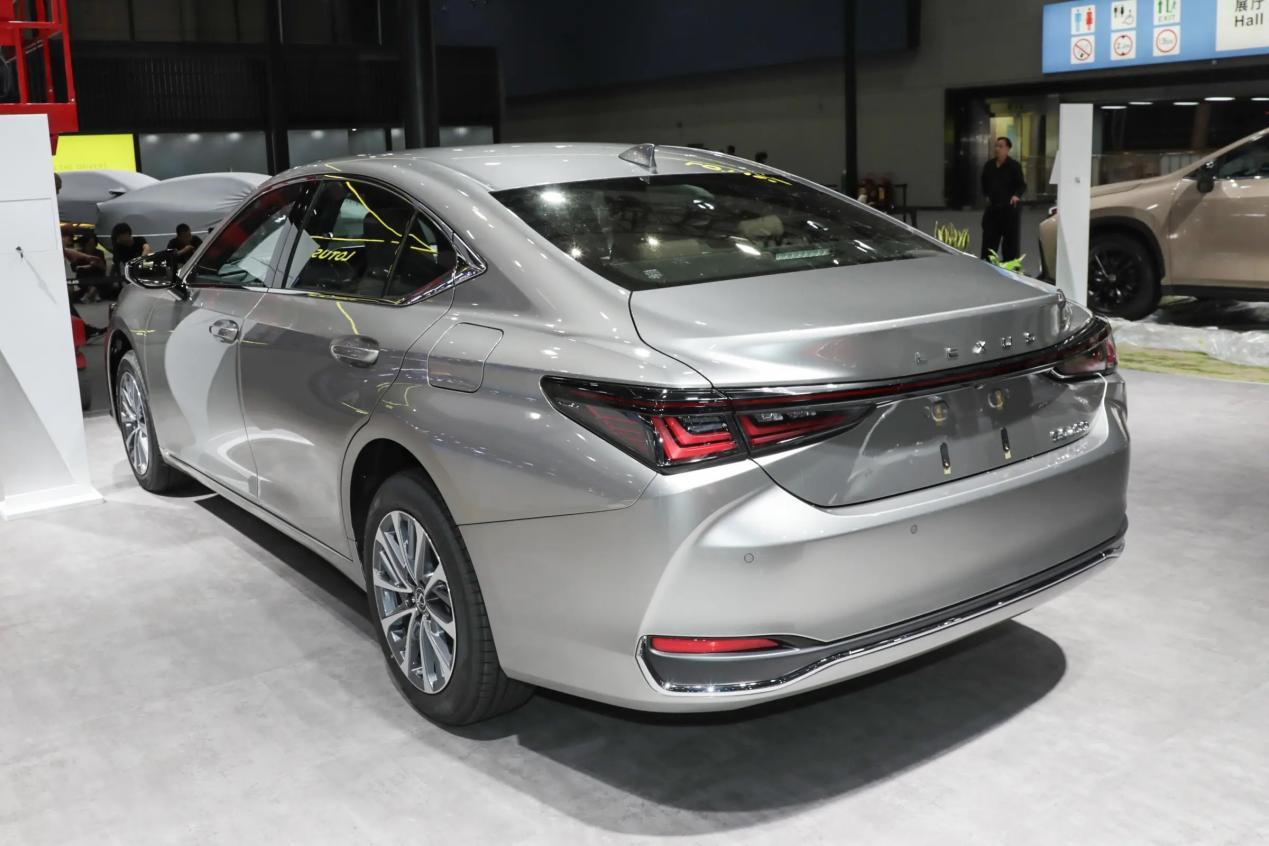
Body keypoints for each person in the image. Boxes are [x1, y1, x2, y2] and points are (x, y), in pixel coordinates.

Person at [980, 136, 1026, 262]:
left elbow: (1021, 185)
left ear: (1007, 149)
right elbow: (983, 182)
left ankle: (1009, 267)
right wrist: (986, 195)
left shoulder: (1014, 166)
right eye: (996, 146)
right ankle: (987, 265)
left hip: (1009, 209)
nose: (997, 149)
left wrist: (1016, 195)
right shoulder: (989, 165)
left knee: (1010, 243)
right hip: (993, 208)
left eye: (1000, 146)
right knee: (989, 240)